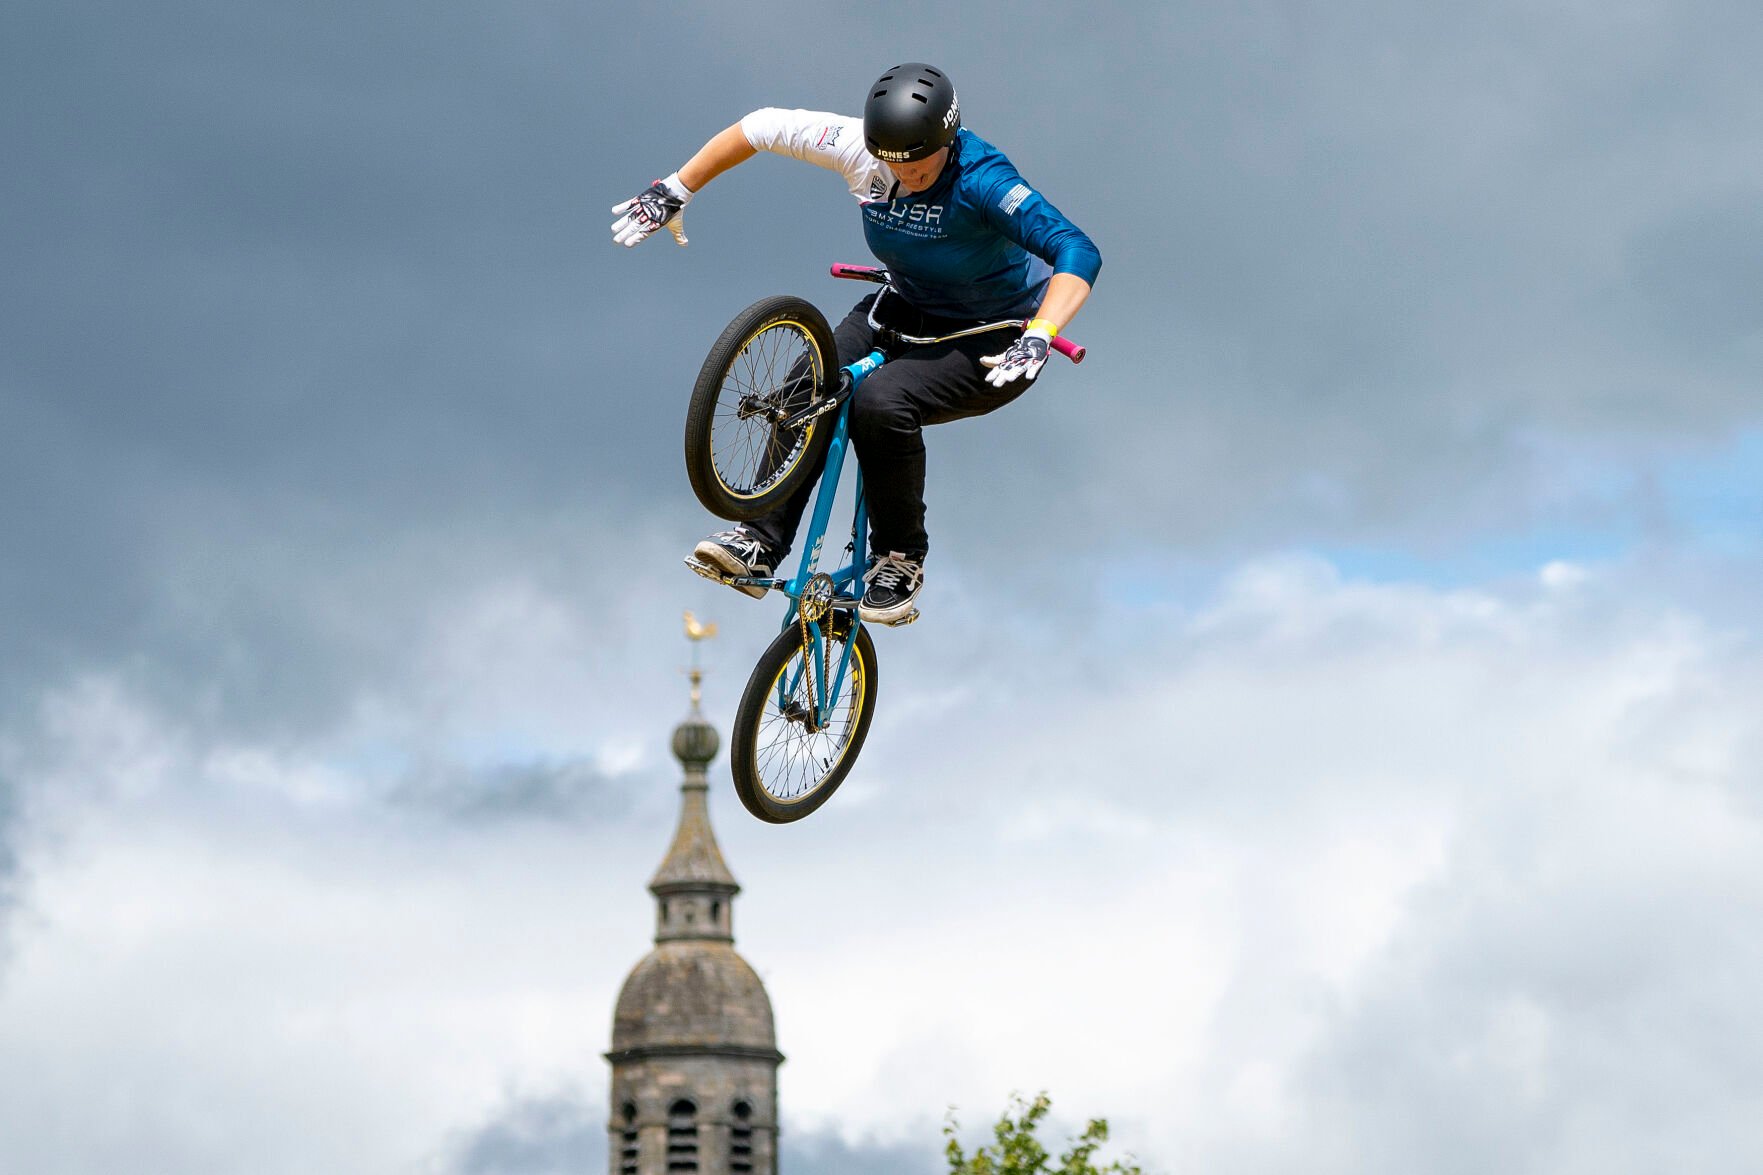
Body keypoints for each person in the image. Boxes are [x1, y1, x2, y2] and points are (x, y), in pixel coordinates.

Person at [612, 63, 1100, 624]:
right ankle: (760, 541)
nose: (906, 172)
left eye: (919, 162)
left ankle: (898, 558)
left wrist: (1042, 332)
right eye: (893, 161)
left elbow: (1078, 250)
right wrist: (674, 188)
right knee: (809, 381)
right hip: (901, 306)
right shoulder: (856, 149)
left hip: (992, 339)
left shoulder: (985, 181)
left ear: (948, 140)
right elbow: (759, 127)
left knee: (880, 404)